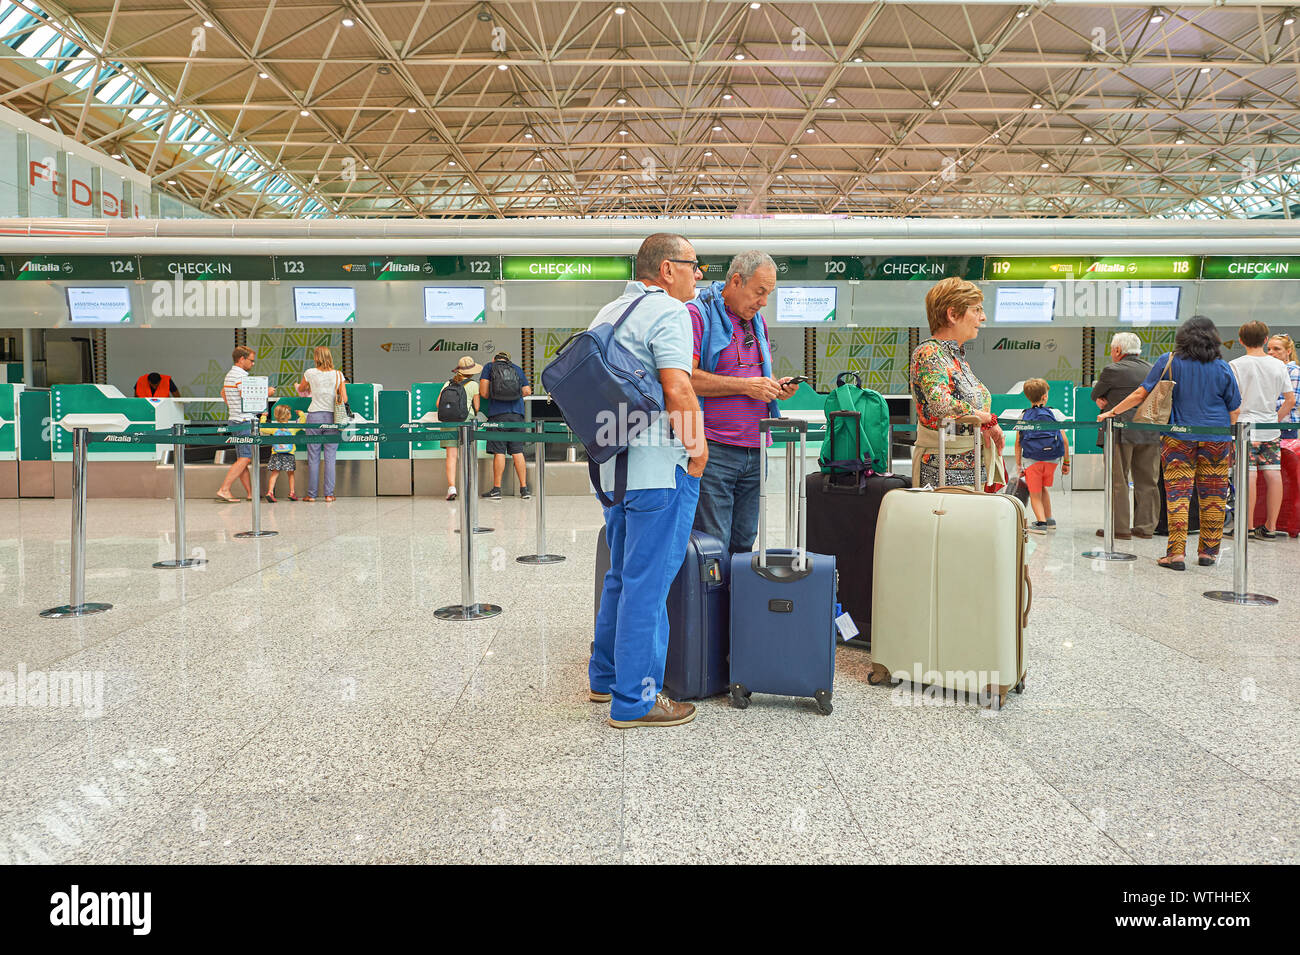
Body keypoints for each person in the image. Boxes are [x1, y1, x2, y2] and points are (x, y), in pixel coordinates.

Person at [590, 233, 707, 730]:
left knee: (621, 577)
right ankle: (635, 701)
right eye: (693, 265)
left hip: (613, 469)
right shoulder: (669, 312)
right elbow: (678, 386)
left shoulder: (607, 314)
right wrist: (697, 449)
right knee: (648, 586)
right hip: (659, 469)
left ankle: (605, 677)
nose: (698, 275)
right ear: (666, 271)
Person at [1100, 316, 1242, 570]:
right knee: (1213, 497)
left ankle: (1176, 555)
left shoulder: (1170, 361)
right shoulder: (1222, 366)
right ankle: (1208, 553)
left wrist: (1113, 412)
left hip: (1178, 439)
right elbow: (1235, 409)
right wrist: (1228, 438)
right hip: (1217, 440)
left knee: (1178, 495)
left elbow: (1141, 393)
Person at [687, 250, 799, 554]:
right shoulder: (699, 316)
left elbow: (754, 375)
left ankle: (737, 603)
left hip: (756, 447)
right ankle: (710, 603)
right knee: (713, 545)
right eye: (759, 292)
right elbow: (687, 379)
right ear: (736, 281)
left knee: (743, 542)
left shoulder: (756, 322)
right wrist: (747, 387)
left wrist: (775, 387)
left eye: (768, 294)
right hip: (715, 450)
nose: (763, 301)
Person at [909, 277, 1005, 489]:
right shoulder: (929, 353)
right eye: (977, 310)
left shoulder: (954, 358)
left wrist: (984, 423)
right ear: (952, 314)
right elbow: (941, 403)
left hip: (969, 465)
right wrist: (986, 419)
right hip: (944, 469)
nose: (983, 317)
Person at [1229, 321, 1296, 541]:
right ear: (1265, 340)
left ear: (1240, 341)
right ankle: (1270, 526)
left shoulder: (1235, 365)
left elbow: (1233, 402)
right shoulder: (1279, 366)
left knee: (1248, 473)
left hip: (1245, 427)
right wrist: (1274, 420)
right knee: (1273, 473)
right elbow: (1290, 399)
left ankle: (1246, 527)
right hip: (1270, 428)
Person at [1091, 332, 1159, 540]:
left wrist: (1101, 397)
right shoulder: (1151, 369)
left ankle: (1119, 528)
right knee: (1148, 481)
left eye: (1112, 349)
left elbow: (1096, 394)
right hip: (1150, 431)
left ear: (1118, 350)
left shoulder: (1113, 370)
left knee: (1118, 480)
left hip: (1120, 432)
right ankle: (1145, 527)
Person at [216, 346, 275, 503]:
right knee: (246, 458)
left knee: (242, 457)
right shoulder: (240, 376)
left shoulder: (230, 375)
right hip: (243, 421)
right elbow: (248, 395)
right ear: (242, 359)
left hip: (235, 419)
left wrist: (233, 408)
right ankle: (224, 489)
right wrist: (267, 392)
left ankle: (250, 493)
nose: (253, 364)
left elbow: (223, 392)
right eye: (251, 360)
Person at [1014, 378, 1070, 531]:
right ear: (1045, 396)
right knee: (1043, 488)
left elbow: (1018, 442)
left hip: (1032, 460)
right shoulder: (1054, 413)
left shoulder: (1024, 415)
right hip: (1052, 459)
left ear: (1027, 397)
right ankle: (1049, 518)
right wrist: (1066, 462)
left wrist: (1019, 464)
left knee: (1034, 492)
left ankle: (1041, 523)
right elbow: (1064, 440)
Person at [478, 351, 533, 500]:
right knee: (517, 451)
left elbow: (483, 392)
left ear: (494, 359)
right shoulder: (516, 368)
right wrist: (513, 395)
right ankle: (524, 489)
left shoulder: (490, 367)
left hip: (498, 415)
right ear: (508, 360)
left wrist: (497, 394)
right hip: (517, 415)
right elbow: (527, 391)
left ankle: (496, 490)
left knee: (499, 452)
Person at [297, 345, 346, 503]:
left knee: (313, 457)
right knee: (330, 457)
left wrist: (303, 386)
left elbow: (302, 389)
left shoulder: (310, 373)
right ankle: (329, 495)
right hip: (333, 418)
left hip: (314, 417)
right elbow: (344, 399)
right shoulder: (338, 375)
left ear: (316, 358)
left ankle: (311, 495)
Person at [440, 355, 482, 501]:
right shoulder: (473, 385)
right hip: (466, 421)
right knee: (468, 454)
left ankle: (452, 487)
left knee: (451, 456)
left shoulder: (448, 383)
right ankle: (469, 486)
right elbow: (477, 406)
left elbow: (439, 403)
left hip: (449, 423)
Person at [263, 404, 300, 503]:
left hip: (276, 454)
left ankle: (270, 492)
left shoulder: (274, 428)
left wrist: (263, 417)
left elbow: (261, 428)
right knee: (291, 474)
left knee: (275, 473)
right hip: (289, 454)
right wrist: (301, 415)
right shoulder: (292, 428)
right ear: (288, 416)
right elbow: (302, 424)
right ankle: (292, 492)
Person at [1266, 333, 1300, 440]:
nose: (1271, 352)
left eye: (1276, 349)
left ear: (1288, 351)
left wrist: (1265, 403)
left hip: (1286, 427)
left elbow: (1294, 401)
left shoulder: (1294, 370)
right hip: (1267, 424)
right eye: (1269, 349)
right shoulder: (1269, 371)